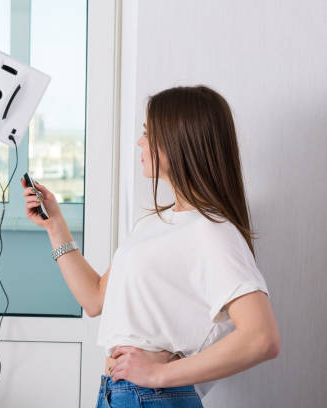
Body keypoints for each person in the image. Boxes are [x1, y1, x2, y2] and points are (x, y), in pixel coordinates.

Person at [20, 85, 280, 407]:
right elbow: (95, 299)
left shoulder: (212, 231)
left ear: (178, 142)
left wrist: (158, 376)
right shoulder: (154, 224)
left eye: (147, 133)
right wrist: (55, 225)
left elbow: (261, 338)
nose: (140, 142)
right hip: (116, 392)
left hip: (151, 396)